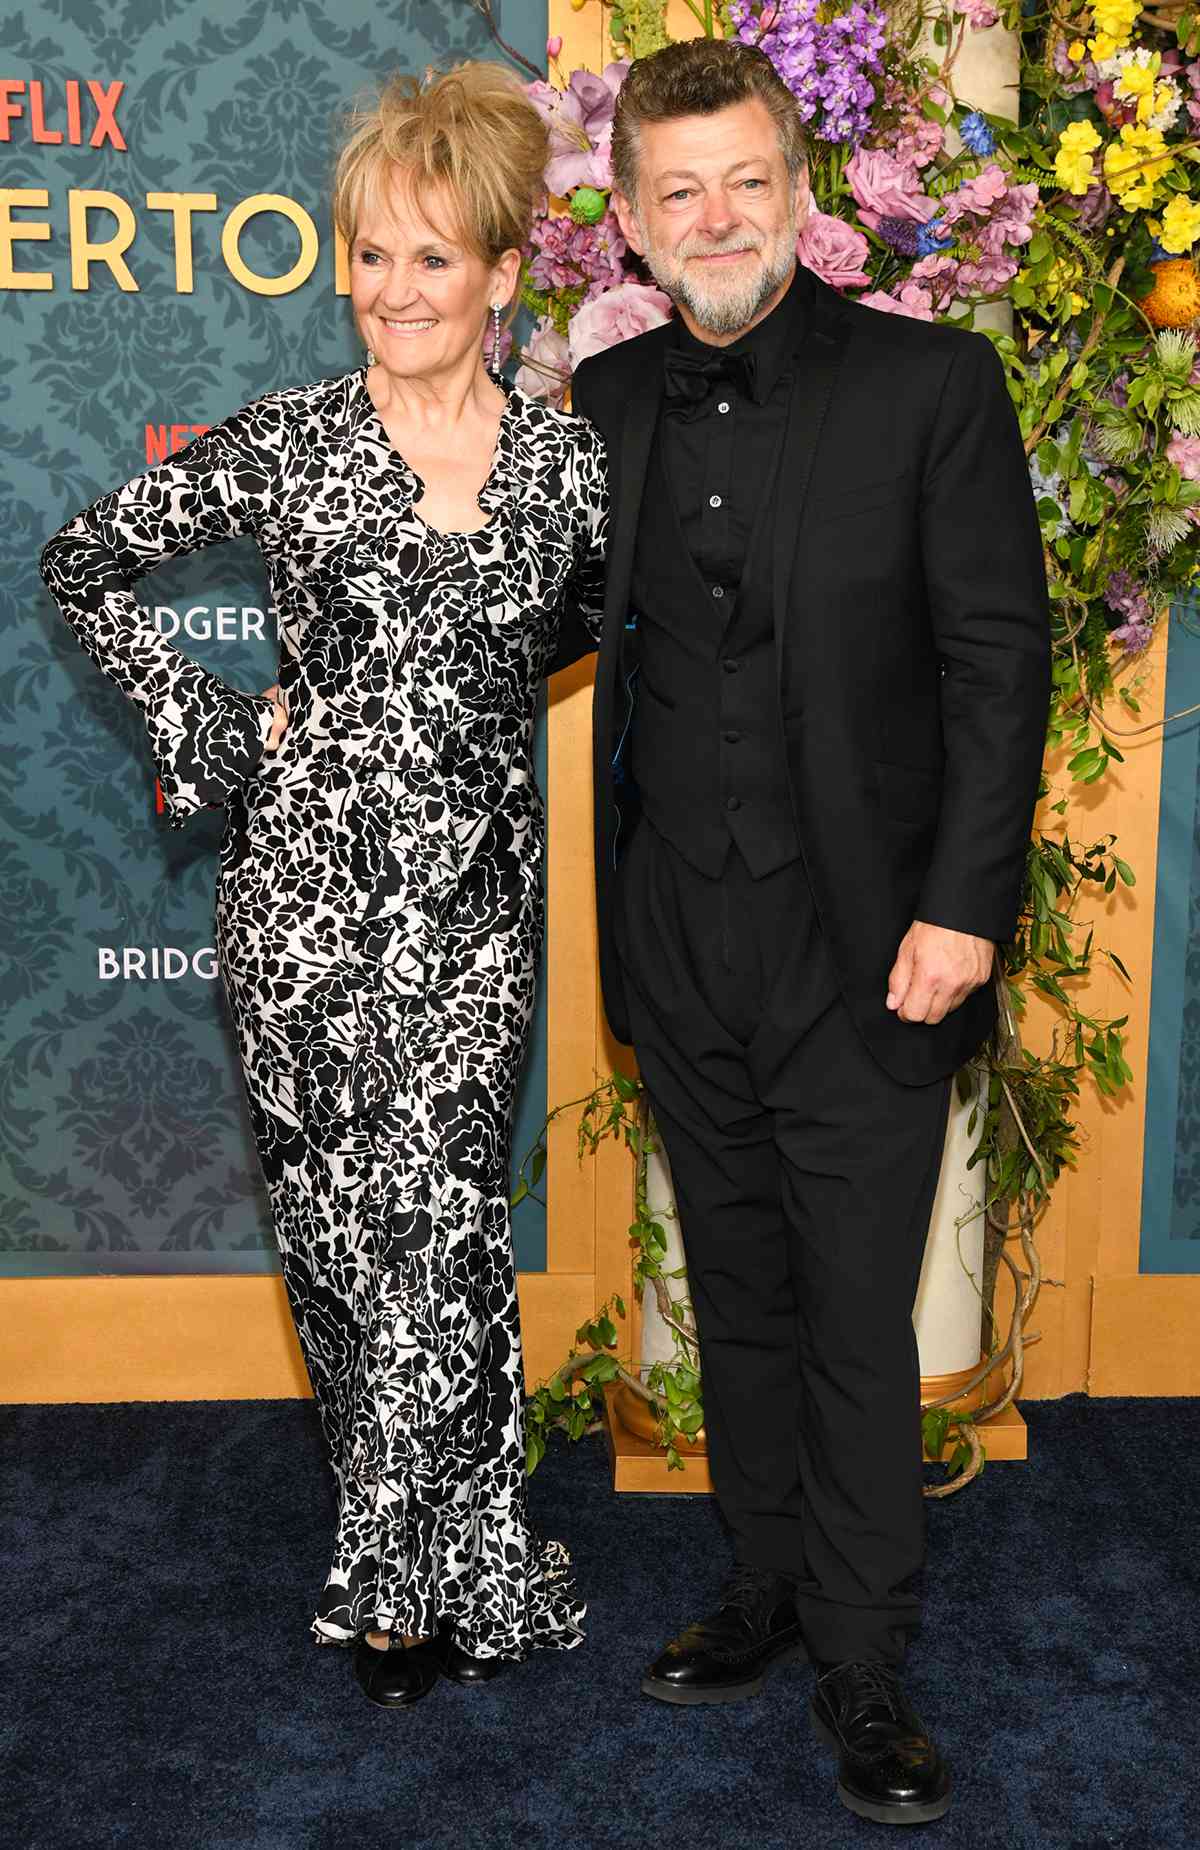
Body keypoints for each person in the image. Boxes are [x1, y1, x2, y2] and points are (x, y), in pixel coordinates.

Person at [40, 62, 606, 1710]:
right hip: (298, 903)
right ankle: (391, 1563)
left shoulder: (572, 472)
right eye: (369, 255)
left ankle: (469, 1557)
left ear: (503, 276)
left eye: (431, 258)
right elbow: (87, 559)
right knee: (344, 1242)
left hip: (477, 908)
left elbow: (571, 635)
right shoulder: (288, 446)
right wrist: (215, 724)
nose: (392, 290)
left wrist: (461, 718)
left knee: (445, 1223)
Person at [561, 38, 1050, 1827]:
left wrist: (961, 911)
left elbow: (1002, 662)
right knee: (741, 1290)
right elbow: (510, 627)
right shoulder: (599, 412)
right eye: (675, 189)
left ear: (802, 190)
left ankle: (864, 1655)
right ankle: (766, 1581)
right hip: (678, 936)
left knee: (854, 1309)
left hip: (875, 944)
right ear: (625, 220)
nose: (714, 217)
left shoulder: (935, 387)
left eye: (744, 179)